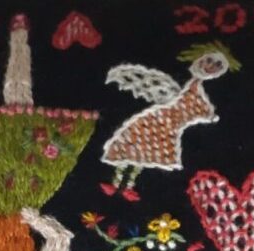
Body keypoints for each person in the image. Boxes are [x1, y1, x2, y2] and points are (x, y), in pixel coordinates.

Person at [101, 42, 238, 201]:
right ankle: (117, 183)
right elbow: (193, 106)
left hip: (169, 127)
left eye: (218, 66)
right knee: (134, 144)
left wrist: (209, 115)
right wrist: (208, 114)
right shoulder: (187, 89)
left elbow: (197, 107)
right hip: (157, 119)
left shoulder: (196, 90)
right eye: (209, 61)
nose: (211, 67)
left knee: (147, 154)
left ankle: (127, 186)